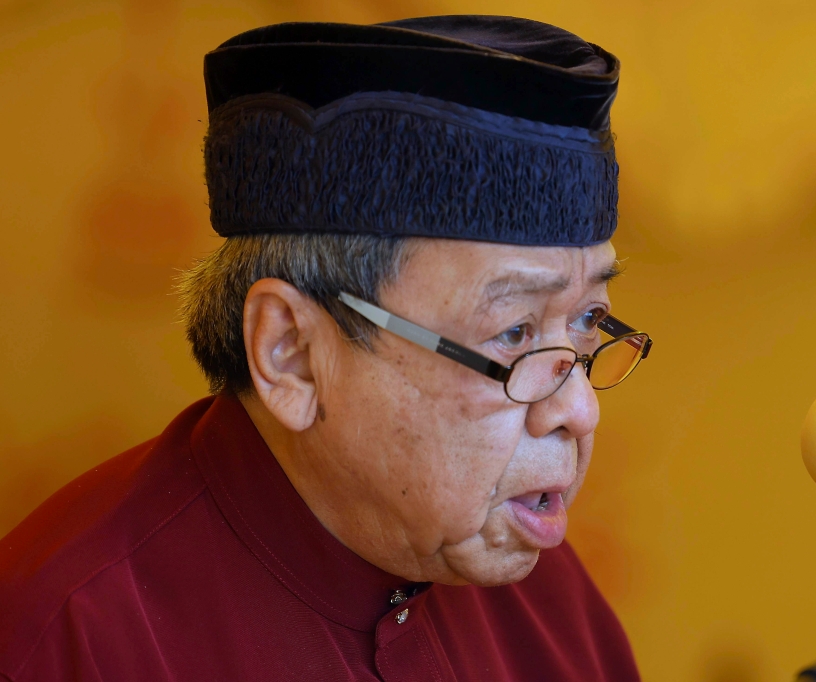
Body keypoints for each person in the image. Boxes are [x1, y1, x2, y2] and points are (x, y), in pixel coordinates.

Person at [0, 16, 651, 681]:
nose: (578, 410)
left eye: (586, 320)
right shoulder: (70, 638)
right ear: (292, 354)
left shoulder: (540, 588)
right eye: (514, 332)